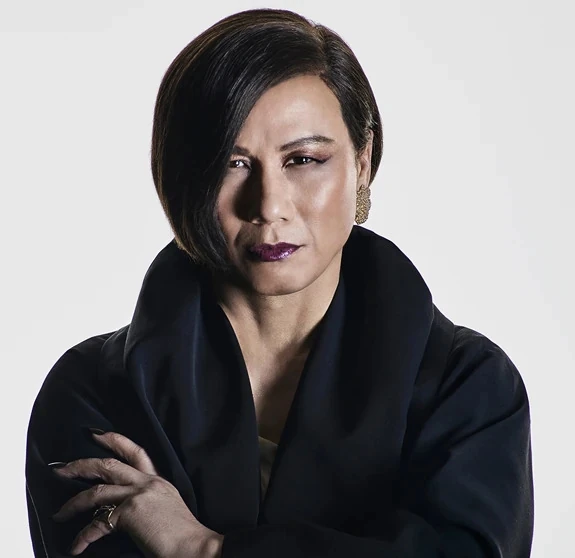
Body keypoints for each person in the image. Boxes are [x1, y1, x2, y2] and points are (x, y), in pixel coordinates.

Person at [25, 8, 534, 558]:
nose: (269, 206)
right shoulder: (94, 393)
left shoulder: (469, 387)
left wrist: (201, 547)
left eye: (304, 159)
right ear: (184, 178)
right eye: (233, 163)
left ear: (362, 162)